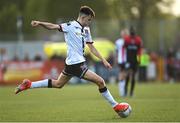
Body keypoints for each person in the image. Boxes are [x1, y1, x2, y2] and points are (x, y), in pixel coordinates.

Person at [15, 6, 128, 115]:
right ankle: (115, 106)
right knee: (101, 81)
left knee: (58, 84)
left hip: (72, 64)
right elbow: (53, 26)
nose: (89, 22)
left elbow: (91, 47)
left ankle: (29, 84)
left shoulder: (86, 30)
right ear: (83, 17)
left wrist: (103, 60)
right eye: (88, 20)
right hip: (76, 63)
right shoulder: (70, 26)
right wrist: (40, 23)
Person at [123, 26, 142, 97]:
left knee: (133, 76)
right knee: (128, 75)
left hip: (135, 61)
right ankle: (125, 91)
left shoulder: (138, 40)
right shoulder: (127, 39)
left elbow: (140, 50)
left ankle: (131, 92)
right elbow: (124, 49)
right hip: (128, 60)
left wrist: (139, 59)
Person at [115, 29, 128, 97]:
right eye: (122, 33)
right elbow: (116, 51)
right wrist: (116, 59)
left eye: (124, 33)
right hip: (121, 60)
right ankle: (121, 91)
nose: (123, 35)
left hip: (127, 60)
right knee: (121, 74)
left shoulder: (128, 41)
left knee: (125, 75)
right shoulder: (118, 41)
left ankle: (124, 90)